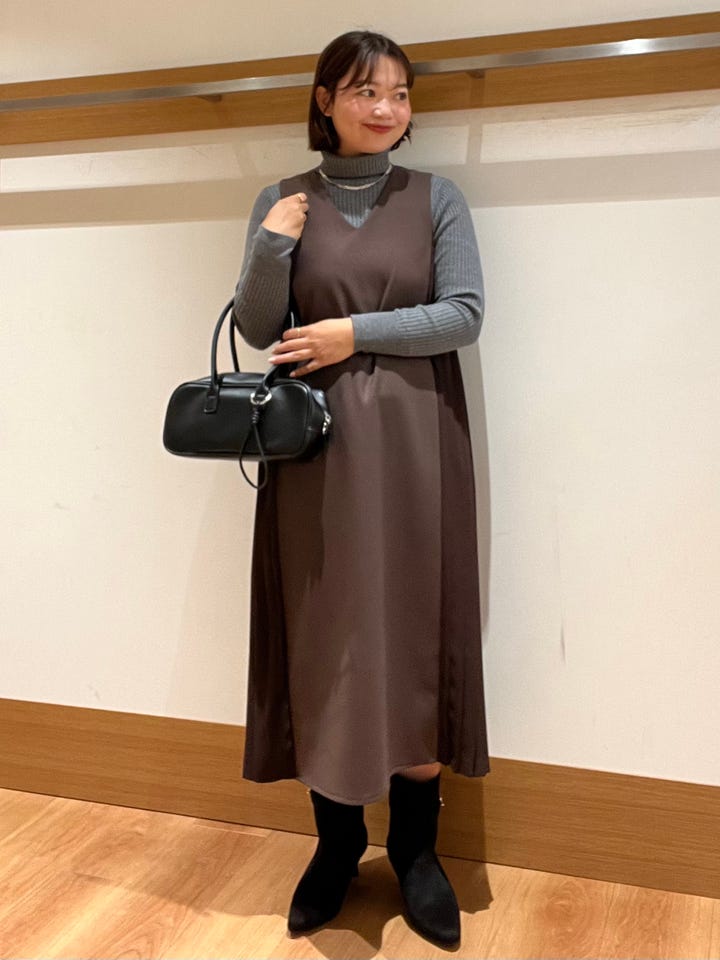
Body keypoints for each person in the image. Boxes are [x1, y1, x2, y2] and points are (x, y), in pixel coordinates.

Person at [233, 29, 489, 947]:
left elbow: (463, 314)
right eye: (364, 91)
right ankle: (337, 846)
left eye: (399, 94)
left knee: (414, 629)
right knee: (326, 637)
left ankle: (417, 854)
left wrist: (353, 332)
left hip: (418, 446)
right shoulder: (283, 199)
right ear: (325, 100)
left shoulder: (436, 197)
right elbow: (259, 324)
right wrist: (272, 247)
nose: (385, 108)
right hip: (315, 456)